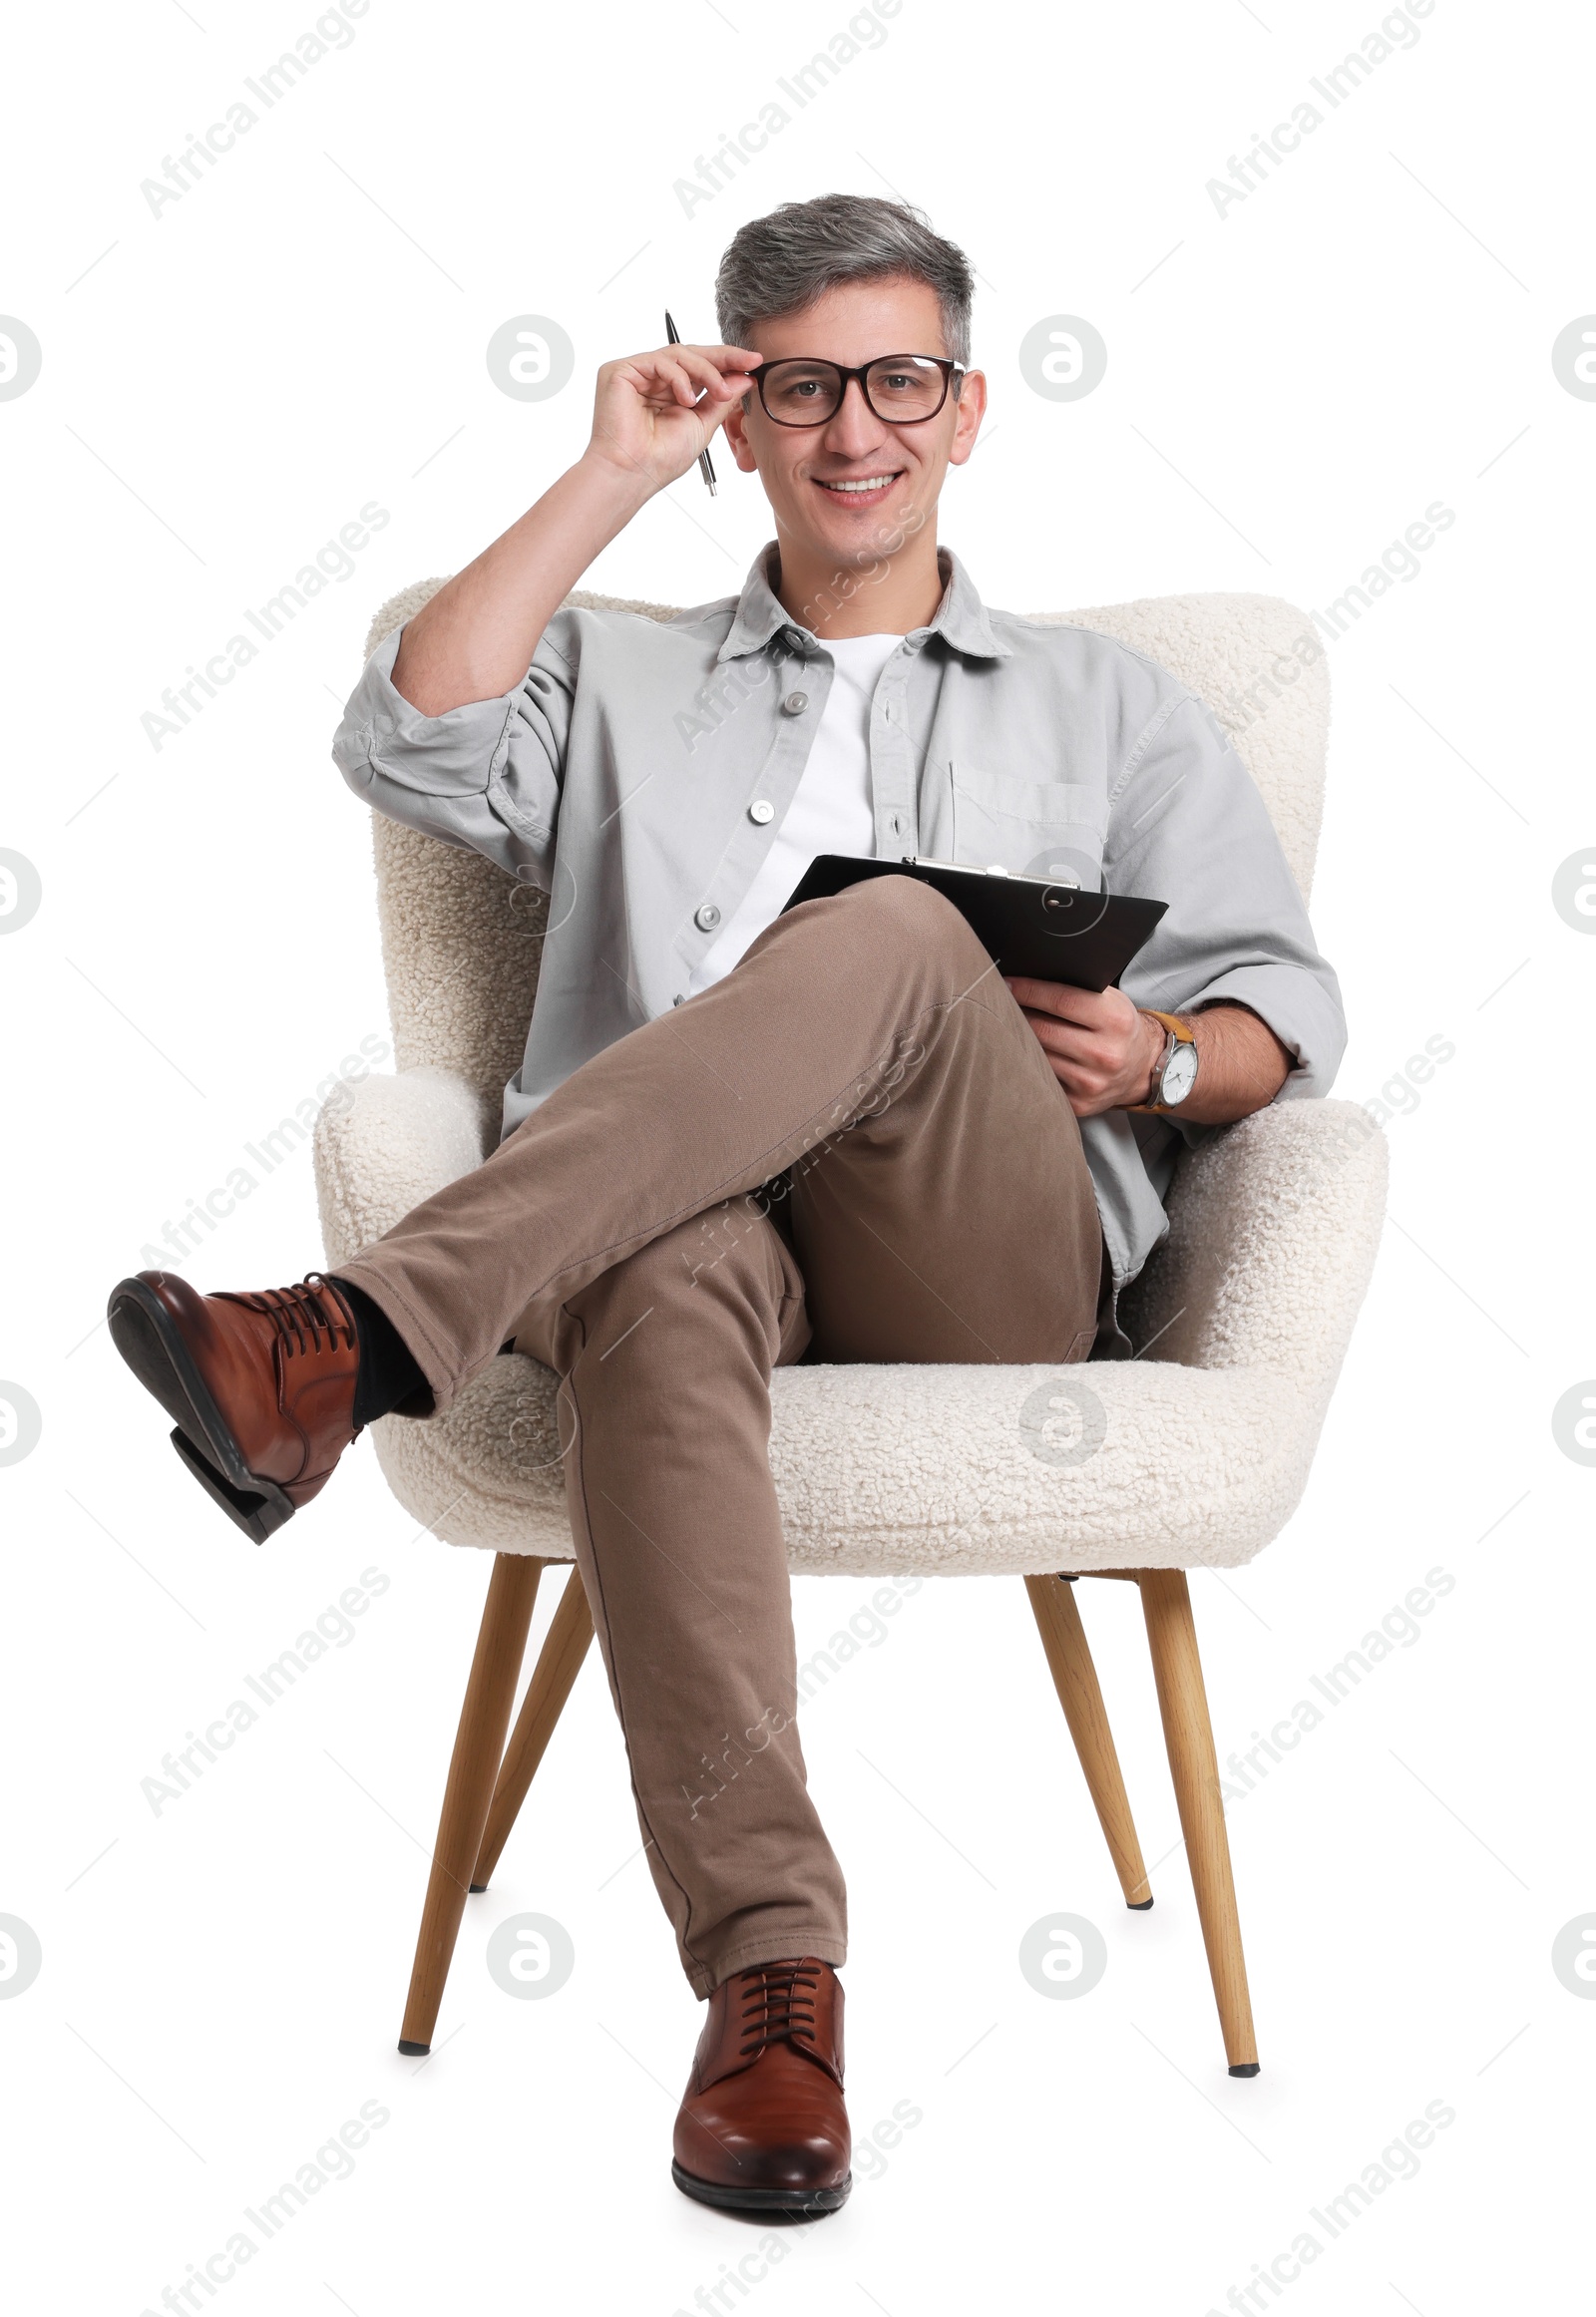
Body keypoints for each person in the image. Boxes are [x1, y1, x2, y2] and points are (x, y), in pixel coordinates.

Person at [108, 193, 1345, 2218]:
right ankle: (772, 1982)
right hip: (670, 1227)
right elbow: (401, 738)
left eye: (895, 382)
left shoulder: (1107, 704)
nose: (850, 428)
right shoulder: (625, 676)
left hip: (978, 1257)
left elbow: (1286, 1008)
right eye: (796, 388)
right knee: (659, 1266)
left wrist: (1165, 1062)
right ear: (740, 419)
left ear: (964, 412)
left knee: (888, 943)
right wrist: (604, 470)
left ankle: (348, 1341)